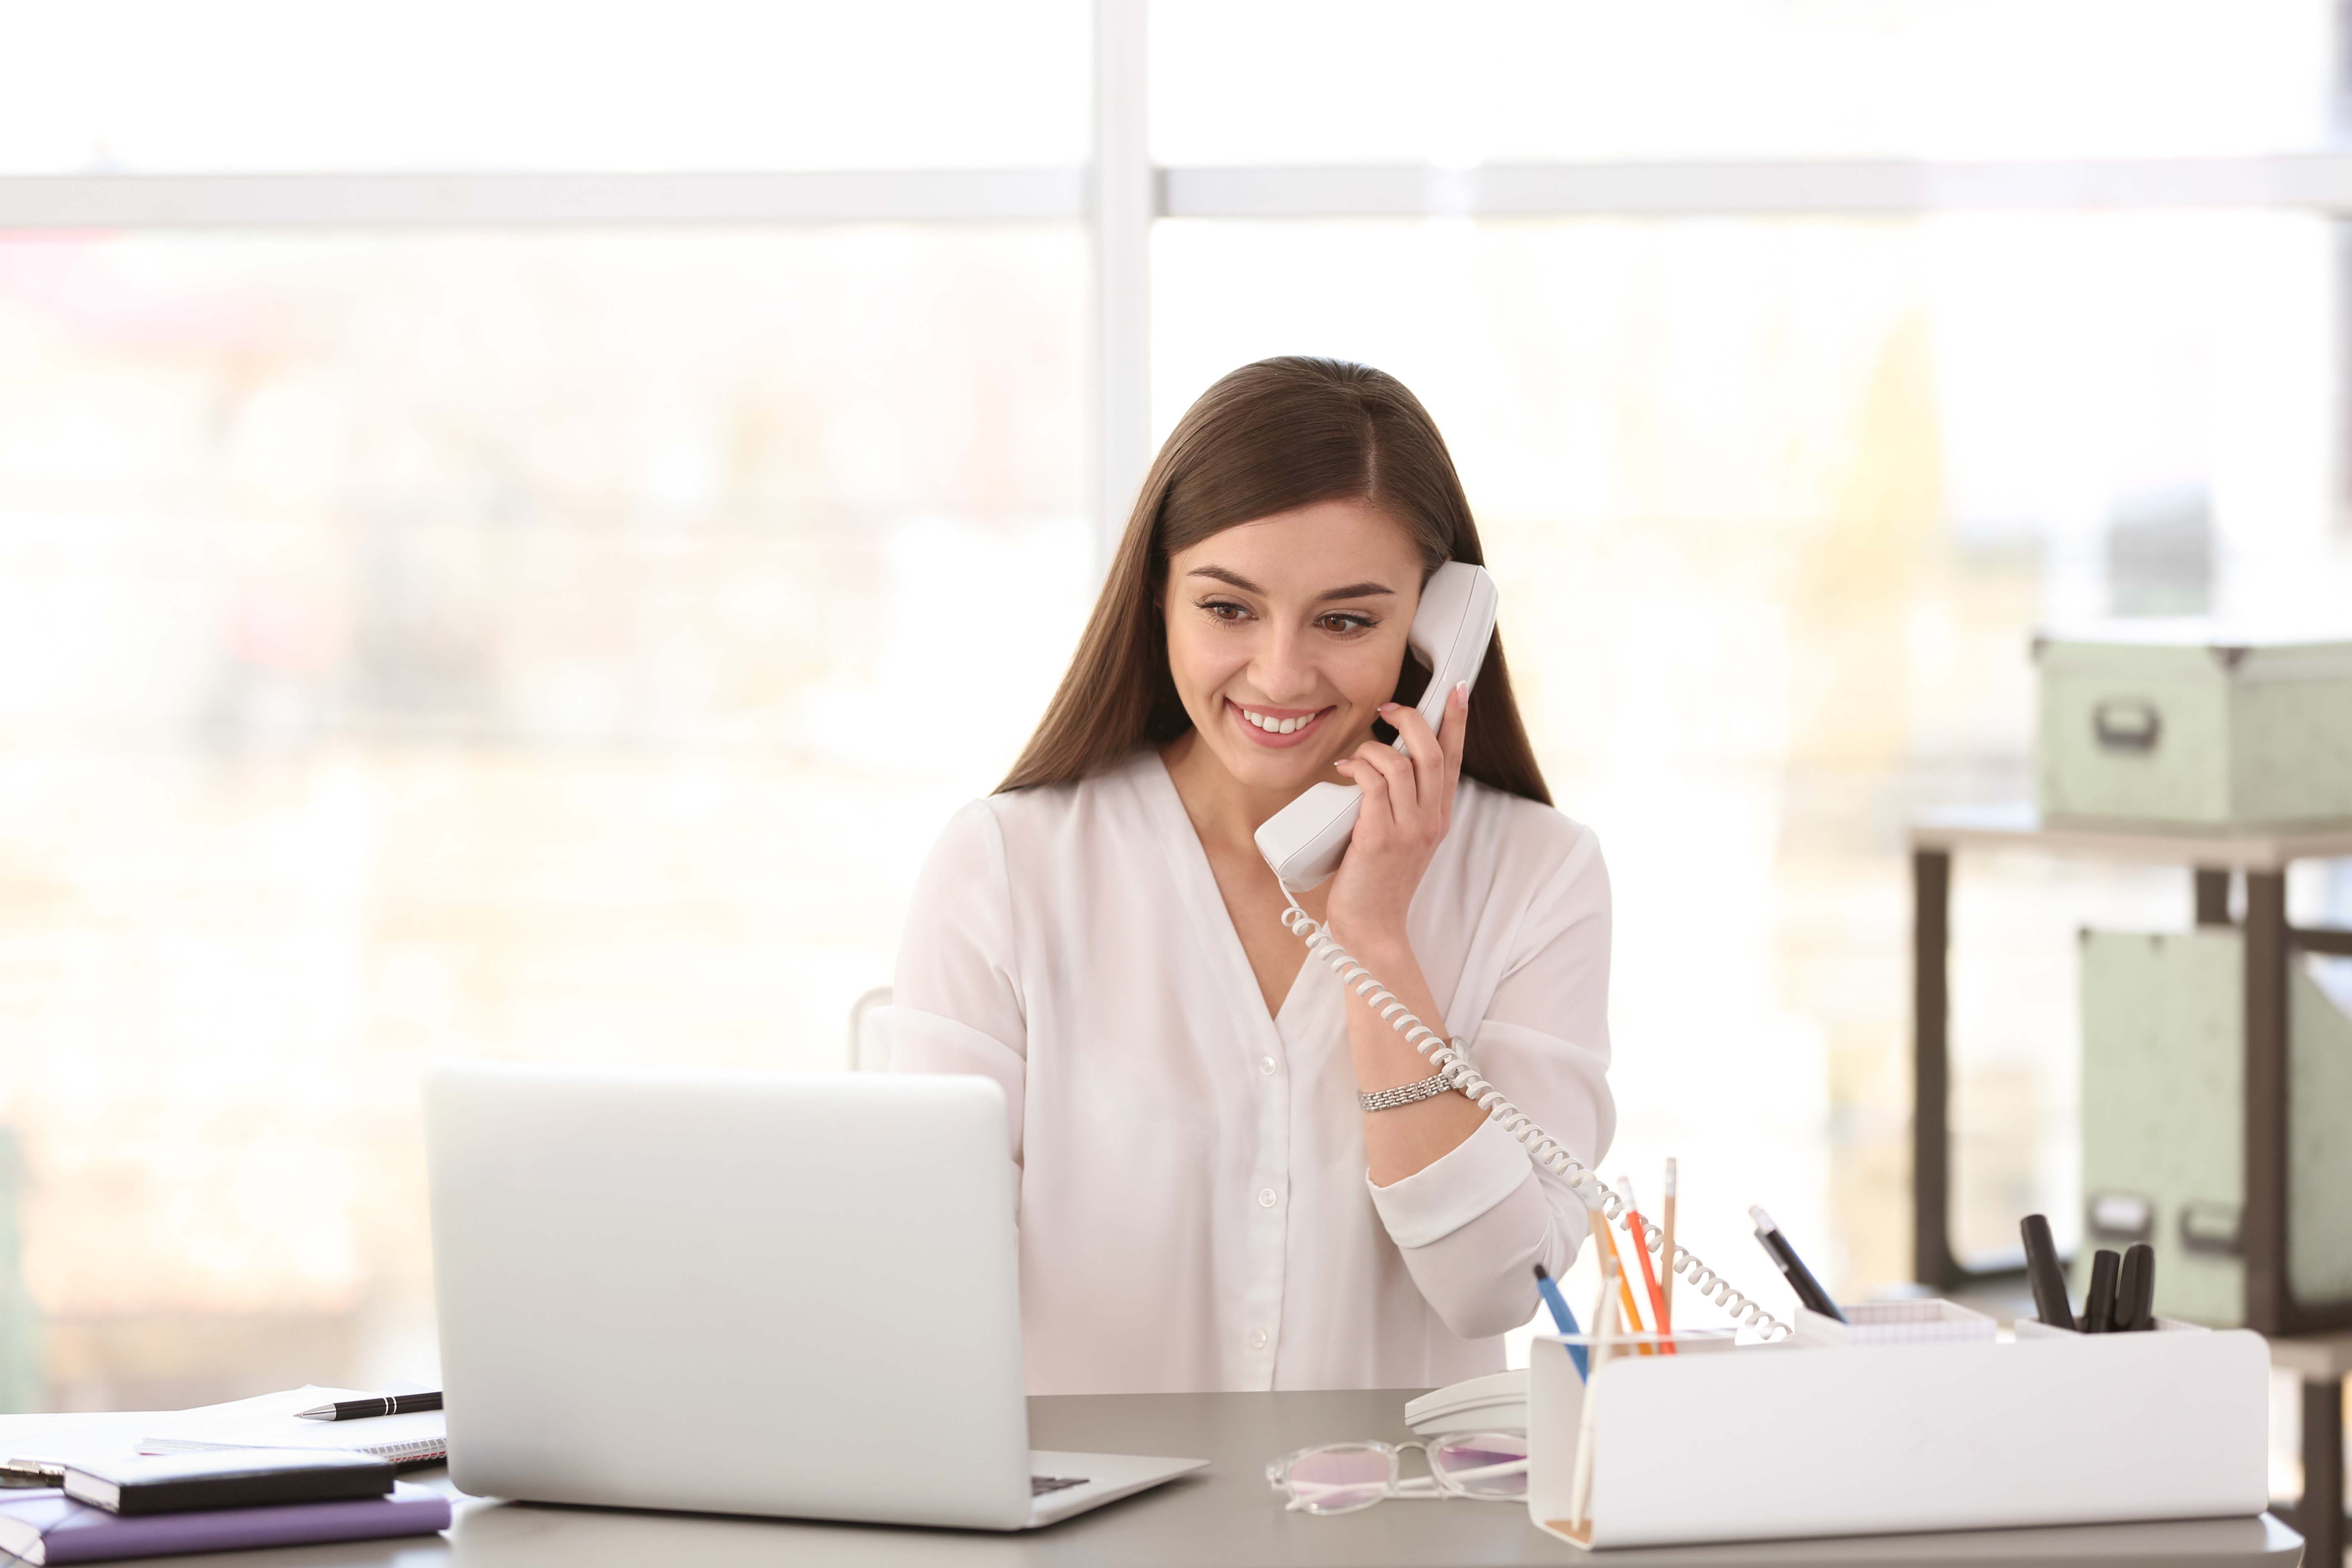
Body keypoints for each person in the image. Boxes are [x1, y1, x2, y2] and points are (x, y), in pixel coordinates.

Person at [878, 356, 1612, 1394]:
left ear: (1437, 628)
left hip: (1400, 1534)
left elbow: (1494, 1287)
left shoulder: (1539, 877)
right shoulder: (1007, 868)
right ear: (1160, 598)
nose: (1279, 674)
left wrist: (1376, 939)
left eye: (1347, 621)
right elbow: (923, 1281)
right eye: (1229, 609)